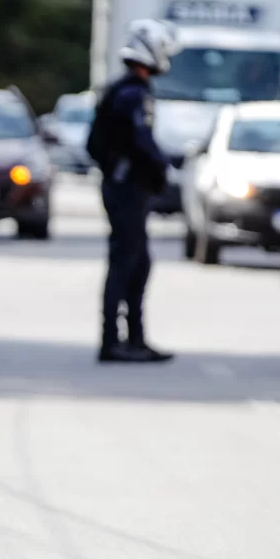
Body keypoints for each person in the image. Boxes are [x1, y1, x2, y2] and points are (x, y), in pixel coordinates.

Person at [86, 19, 181, 364]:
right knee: (127, 263)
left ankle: (134, 339)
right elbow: (141, 141)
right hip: (126, 189)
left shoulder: (124, 90)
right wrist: (161, 167)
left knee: (137, 263)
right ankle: (114, 341)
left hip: (125, 187)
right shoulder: (131, 94)